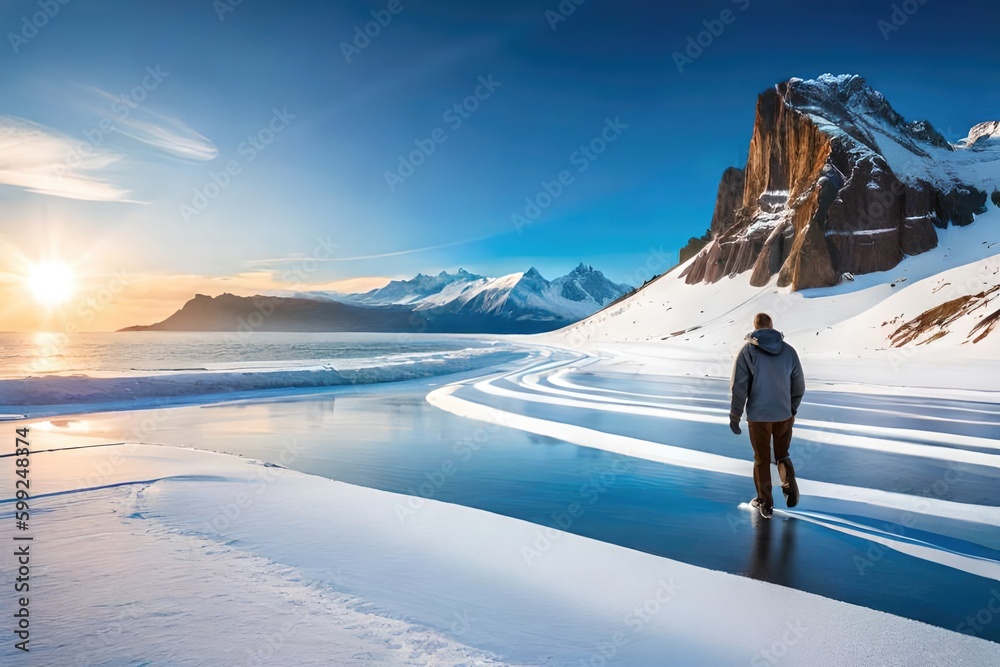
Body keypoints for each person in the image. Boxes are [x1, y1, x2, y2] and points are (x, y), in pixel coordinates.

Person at [729, 313, 805, 519]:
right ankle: (789, 485)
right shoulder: (789, 351)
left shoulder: (748, 352)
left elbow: (739, 386)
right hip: (784, 414)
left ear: (755, 327)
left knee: (762, 459)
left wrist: (735, 415)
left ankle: (765, 502)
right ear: (771, 327)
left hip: (759, 416)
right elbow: (799, 385)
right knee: (782, 453)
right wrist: (792, 409)